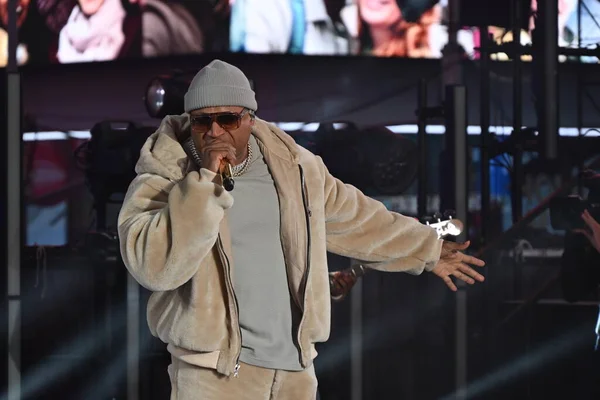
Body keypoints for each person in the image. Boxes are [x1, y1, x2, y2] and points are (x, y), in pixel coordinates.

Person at [117, 59, 486, 399]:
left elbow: (359, 219)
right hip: (214, 375)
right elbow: (154, 267)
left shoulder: (295, 168)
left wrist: (426, 249)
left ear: (249, 118)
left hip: (293, 371)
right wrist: (202, 186)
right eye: (201, 120)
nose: (214, 131)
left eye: (227, 119)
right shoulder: (166, 174)